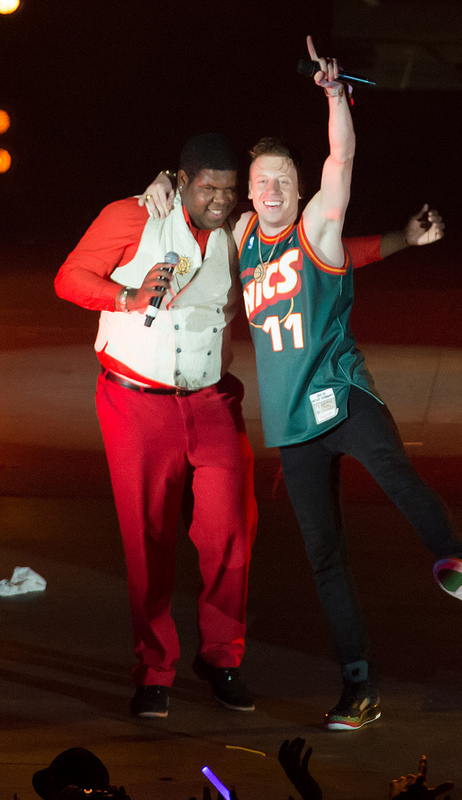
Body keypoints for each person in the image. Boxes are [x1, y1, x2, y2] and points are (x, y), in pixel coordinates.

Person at [141, 37, 462, 731]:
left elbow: (341, 160)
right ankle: (358, 687)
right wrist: (159, 180)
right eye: (261, 181)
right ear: (250, 191)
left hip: (343, 395)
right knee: (325, 558)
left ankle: (452, 557)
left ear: (300, 191)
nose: (271, 190)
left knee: (394, 472)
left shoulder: (316, 227)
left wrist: (336, 98)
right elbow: (195, 201)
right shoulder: (243, 233)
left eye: (283, 180)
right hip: (292, 425)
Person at [55, 133, 258, 718]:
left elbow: (322, 242)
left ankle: (221, 657)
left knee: (231, 532)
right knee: (147, 542)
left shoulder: (239, 231)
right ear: (183, 179)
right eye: (209, 187)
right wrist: (127, 295)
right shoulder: (134, 215)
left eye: (230, 190)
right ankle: (154, 670)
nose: (221, 199)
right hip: (135, 403)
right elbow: (69, 278)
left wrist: (398, 241)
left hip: (211, 400)